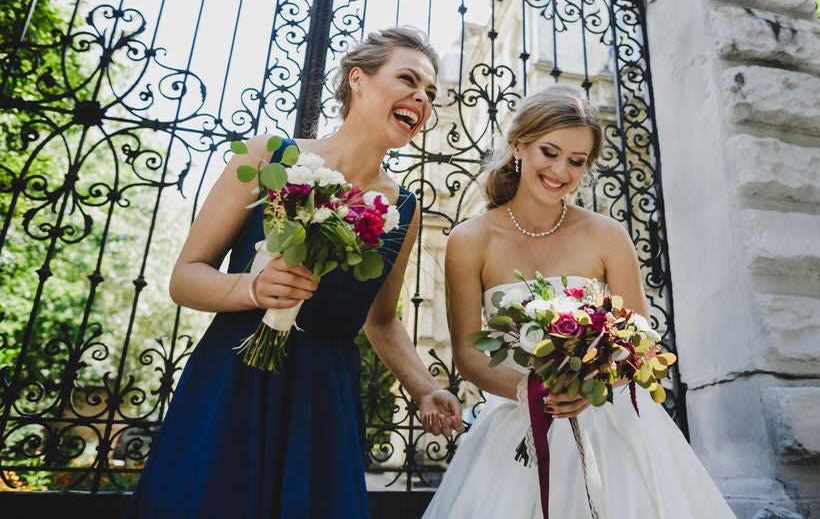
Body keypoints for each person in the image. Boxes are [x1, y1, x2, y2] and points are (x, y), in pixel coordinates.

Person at [126, 27, 463, 518]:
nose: (422, 97)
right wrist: (252, 288)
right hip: (234, 375)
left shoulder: (402, 207)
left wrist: (425, 386)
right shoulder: (270, 156)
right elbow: (186, 277)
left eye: (430, 92)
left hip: (320, 394)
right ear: (358, 80)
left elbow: (382, 319)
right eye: (408, 79)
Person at [423, 84, 735, 518]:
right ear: (518, 146)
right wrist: (535, 393)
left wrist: (596, 384)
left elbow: (641, 339)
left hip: (611, 419)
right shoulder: (470, 240)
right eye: (548, 152)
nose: (560, 171)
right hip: (517, 416)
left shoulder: (607, 235)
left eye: (576, 161)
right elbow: (469, 351)